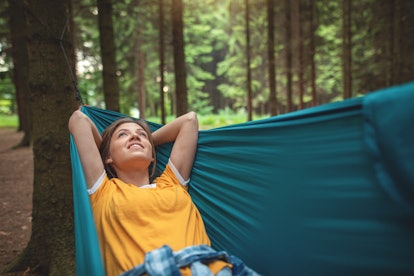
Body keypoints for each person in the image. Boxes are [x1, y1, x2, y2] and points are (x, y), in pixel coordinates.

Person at [69, 109, 258, 276]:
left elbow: (189, 121)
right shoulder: (103, 190)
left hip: (209, 269)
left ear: (153, 157)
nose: (135, 137)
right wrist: (109, 149)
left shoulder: (172, 182)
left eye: (141, 134)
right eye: (123, 135)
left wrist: (145, 143)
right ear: (107, 158)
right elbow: (79, 120)